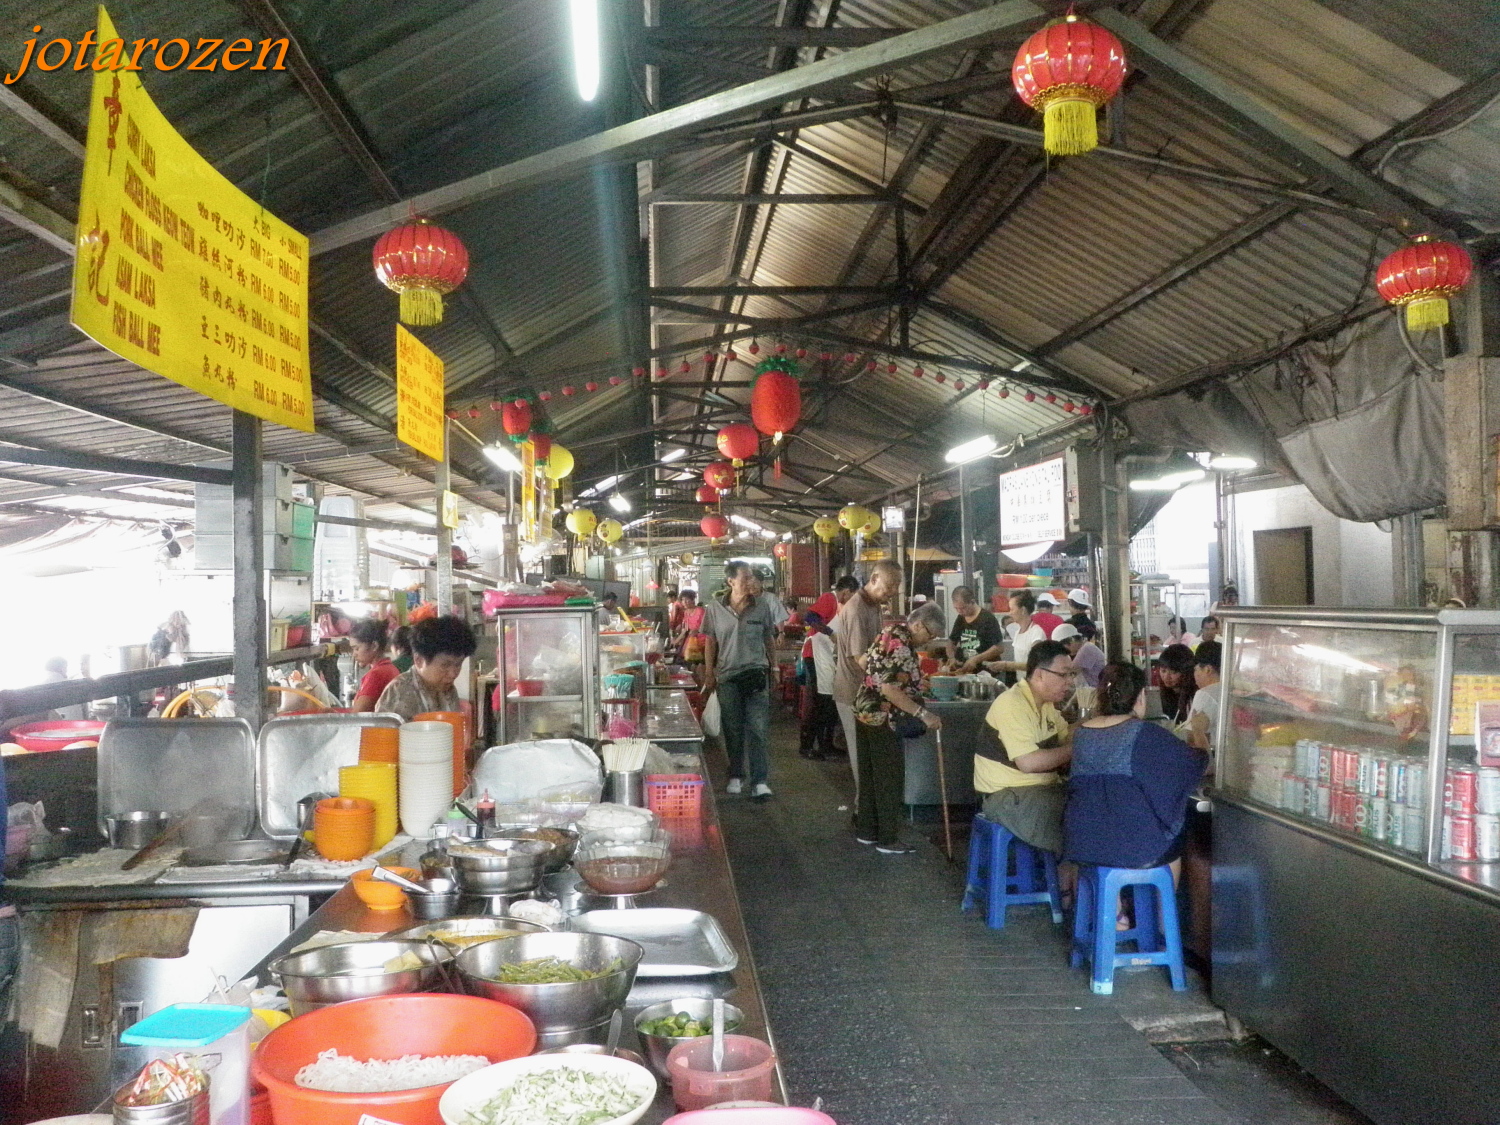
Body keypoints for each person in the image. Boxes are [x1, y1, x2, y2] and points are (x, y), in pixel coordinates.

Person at [1064, 662, 1205, 884]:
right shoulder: (1144, 733)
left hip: (1083, 845)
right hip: (1134, 849)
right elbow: (1195, 763)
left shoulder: (1081, 735)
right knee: (1175, 841)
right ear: (1140, 697)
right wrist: (1198, 731)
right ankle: (1162, 916)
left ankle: (1117, 913)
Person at [852, 602, 945, 853]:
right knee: (888, 779)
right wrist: (922, 713)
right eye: (929, 634)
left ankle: (867, 832)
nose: (928, 641)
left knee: (870, 776)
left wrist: (909, 684)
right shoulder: (903, 648)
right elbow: (890, 689)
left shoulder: (887, 634)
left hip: (864, 710)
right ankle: (888, 840)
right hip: (885, 717)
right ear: (917, 624)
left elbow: (864, 662)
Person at [978, 639, 1075, 855]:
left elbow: (1067, 735)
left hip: (1039, 789)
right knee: (1079, 813)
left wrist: (1097, 724)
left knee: (1090, 800)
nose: (1069, 682)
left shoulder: (1046, 705)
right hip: (1007, 796)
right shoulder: (1012, 704)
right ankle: (1069, 878)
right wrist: (1077, 748)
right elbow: (1028, 762)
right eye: (1064, 674)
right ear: (1040, 674)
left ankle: (1073, 875)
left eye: (1071, 674)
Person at [702, 561, 782, 799]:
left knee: (758, 729)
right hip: (727, 676)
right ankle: (736, 775)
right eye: (745, 578)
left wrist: (774, 667)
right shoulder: (715, 608)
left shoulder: (762, 607)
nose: (751, 583)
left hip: (756, 674)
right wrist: (709, 672)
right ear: (731, 582)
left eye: (753, 578)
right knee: (733, 729)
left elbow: (768, 638)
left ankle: (760, 781)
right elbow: (710, 641)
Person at [833, 561, 903, 796]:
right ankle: (863, 808)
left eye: (897, 587)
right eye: (890, 586)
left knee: (869, 753)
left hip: (867, 691)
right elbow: (860, 659)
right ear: (874, 579)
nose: (893, 592)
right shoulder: (855, 609)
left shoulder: (874, 605)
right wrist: (892, 674)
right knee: (860, 753)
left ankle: (869, 805)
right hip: (853, 692)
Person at [375, 615, 477, 720]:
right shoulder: (399, 692)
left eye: (458, 664)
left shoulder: (447, 689)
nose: (453, 674)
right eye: (445, 665)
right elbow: (383, 734)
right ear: (419, 660)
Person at [798, 610, 839, 760]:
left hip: (828, 660)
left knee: (829, 705)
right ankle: (807, 747)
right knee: (815, 705)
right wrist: (830, 632)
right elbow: (809, 616)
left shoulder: (846, 609)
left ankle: (826, 745)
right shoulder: (831, 599)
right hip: (814, 658)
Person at [943, 586, 1004, 673]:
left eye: (963, 608)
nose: (959, 611)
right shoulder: (961, 618)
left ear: (972, 602)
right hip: (967, 671)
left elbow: (999, 648)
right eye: (956, 608)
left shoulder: (987, 618)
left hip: (987, 671)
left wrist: (976, 659)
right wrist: (952, 658)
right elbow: (951, 642)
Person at [349, 619, 400, 713]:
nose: (354, 654)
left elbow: (356, 716)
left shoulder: (377, 675)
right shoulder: (390, 668)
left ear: (374, 646)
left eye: (357, 648)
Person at [992, 590, 1047, 674]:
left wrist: (1007, 665)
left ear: (1023, 610)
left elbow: (1035, 664)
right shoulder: (1018, 631)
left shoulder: (1036, 633)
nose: (1010, 613)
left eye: (1012, 609)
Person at [1185, 640, 1222, 750]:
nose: (1194, 675)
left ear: (1207, 669)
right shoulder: (1234, 689)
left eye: (1196, 669)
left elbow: (1192, 739)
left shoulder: (1205, 694)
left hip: (1215, 758)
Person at [1054, 623, 1106, 689]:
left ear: (1071, 640)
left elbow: (1069, 672)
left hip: (1098, 691)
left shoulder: (1086, 649)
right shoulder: (1087, 647)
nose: (1065, 652)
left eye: (1063, 648)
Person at [1156, 643, 1197, 725]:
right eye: (1163, 671)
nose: (1167, 677)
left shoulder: (1194, 697)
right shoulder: (1159, 695)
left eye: (1174, 672)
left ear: (1186, 672)